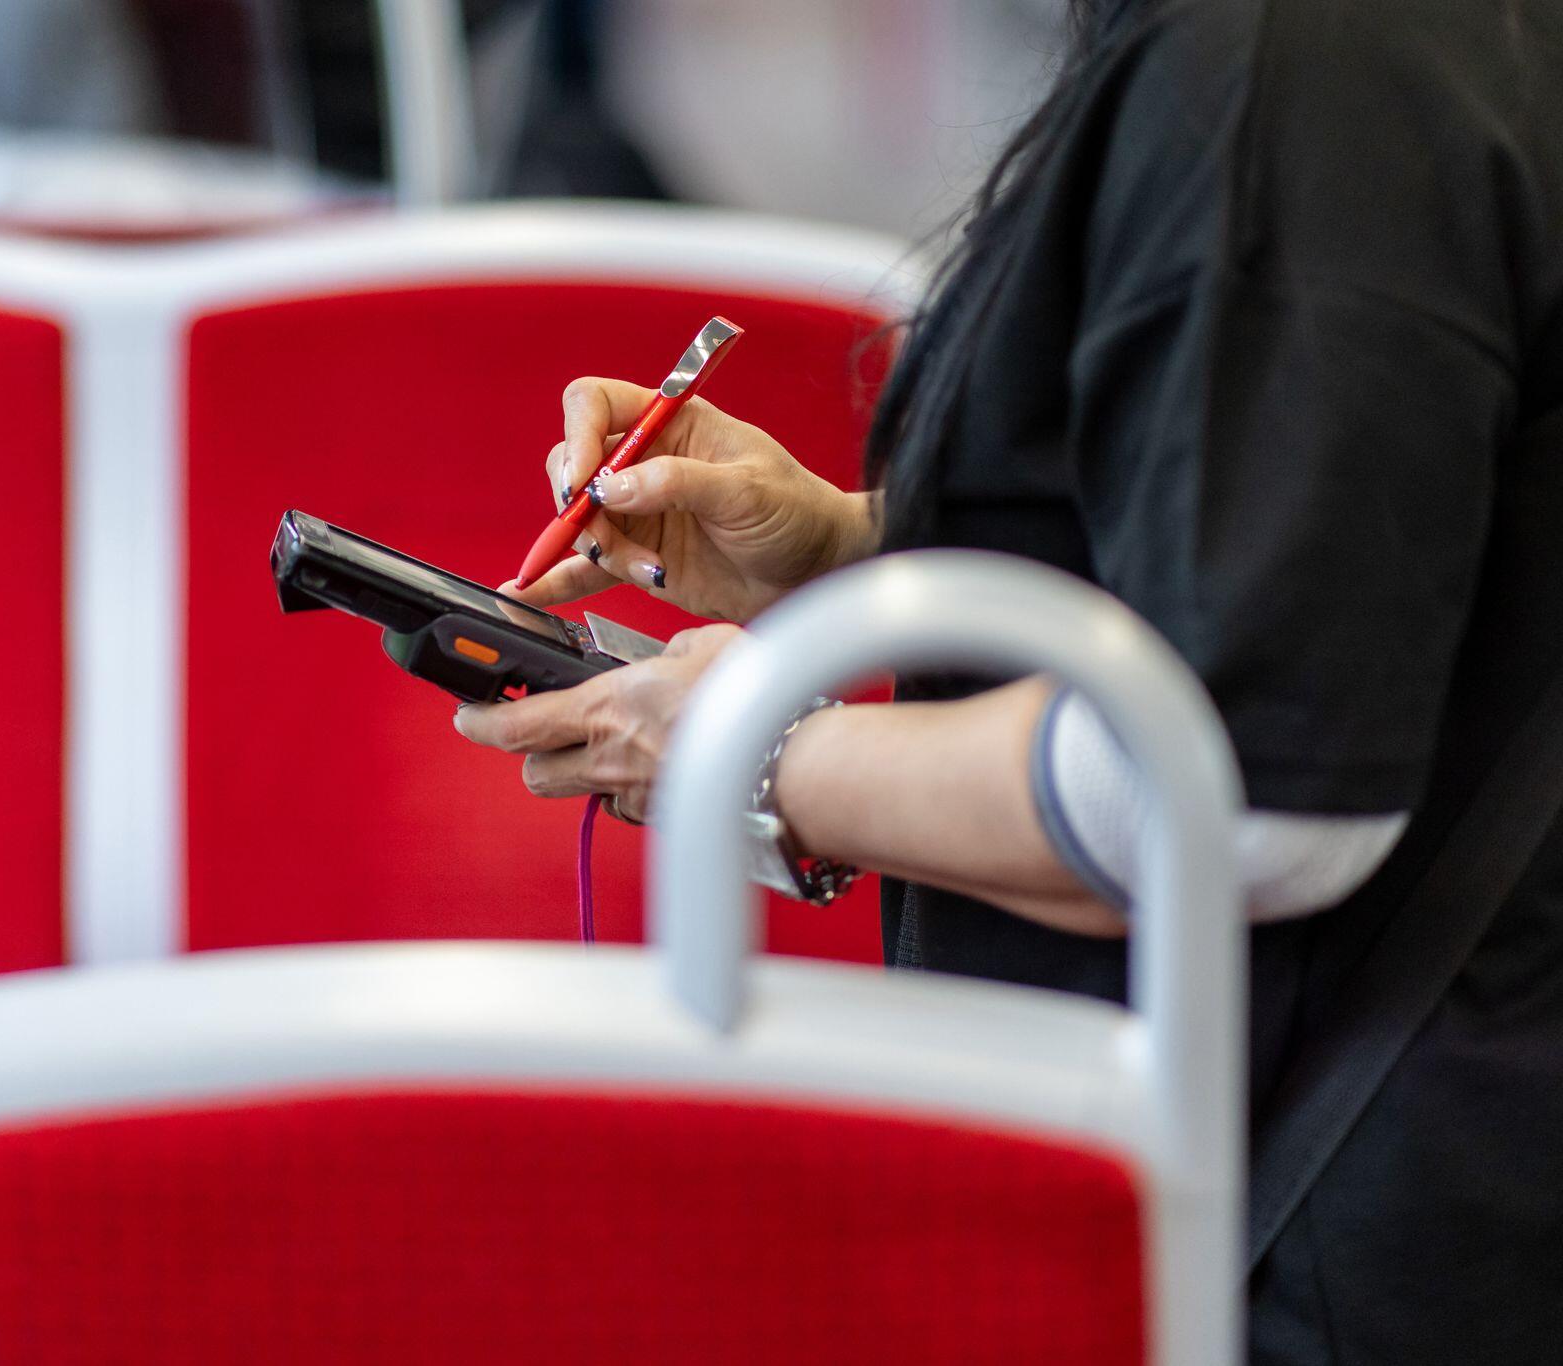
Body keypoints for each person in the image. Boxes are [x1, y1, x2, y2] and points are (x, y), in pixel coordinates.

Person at [452, 0, 1563, 1360]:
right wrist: (849, 553)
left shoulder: (1294, 67)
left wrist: (752, 746)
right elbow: (1334, 549)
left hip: (1341, 1228)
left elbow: (1239, 788)